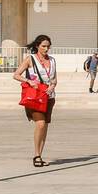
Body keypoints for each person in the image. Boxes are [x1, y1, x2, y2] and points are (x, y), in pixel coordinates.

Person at [12, 34, 58, 167]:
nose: (46, 49)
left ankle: (40, 154)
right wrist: (29, 81)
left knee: (45, 127)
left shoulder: (53, 61)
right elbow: (16, 75)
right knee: (41, 124)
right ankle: (36, 155)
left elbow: (54, 79)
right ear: (37, 46)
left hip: (49, 96)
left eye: (48, 46)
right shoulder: (30, 59)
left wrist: (52, 86)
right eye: (43, 46)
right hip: (35, 96)